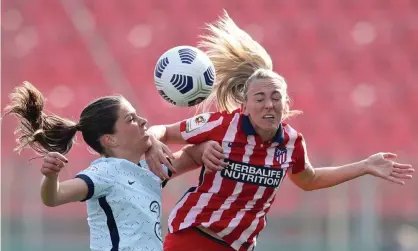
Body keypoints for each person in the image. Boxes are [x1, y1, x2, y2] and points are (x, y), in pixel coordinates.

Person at [144, 12, 415, 251]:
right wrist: (153, 144)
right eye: (259, 98)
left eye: (276, 97)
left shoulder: (292, 142)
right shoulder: (222, 125)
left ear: (286, 104)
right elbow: (164, 132)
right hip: (194, 238)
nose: (268, 104)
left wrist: (365, 166)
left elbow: (308, 180)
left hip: (239, 245)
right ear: (245, 105)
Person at [4, 81, 211, 251]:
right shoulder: (104, 173)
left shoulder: (150, 168)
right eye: (131, 119)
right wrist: (50, 176)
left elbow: (193, 156)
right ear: (110, 140)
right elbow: (54, 196)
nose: (143, 120)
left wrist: (206, 148)